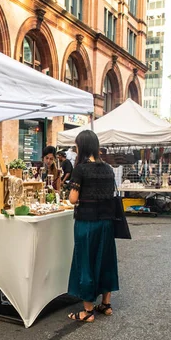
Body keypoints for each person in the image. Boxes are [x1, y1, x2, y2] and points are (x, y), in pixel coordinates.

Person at [67, 130, 119, 323]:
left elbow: (73, 199)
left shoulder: (80, 169)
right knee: (105, 261)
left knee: (86, 262)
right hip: (106, 223)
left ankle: (87, 310)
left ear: (82, 147)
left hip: (87, 222)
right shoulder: (108, 168)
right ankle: (106, 304)